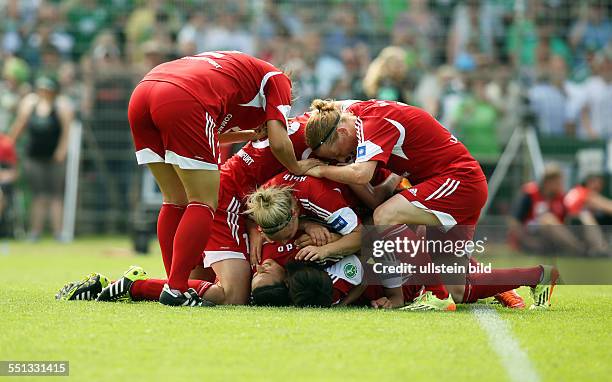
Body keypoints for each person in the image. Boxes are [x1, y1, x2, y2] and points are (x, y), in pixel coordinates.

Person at [303, 99, 557, 310]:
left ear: (341, 133)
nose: (341, 159)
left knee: (385, 216)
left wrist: (320, 169)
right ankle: (539, 276)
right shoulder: (355, 114)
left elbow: (361, 174)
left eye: (336, 153)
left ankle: (434, 294)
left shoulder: (373, 123)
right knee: (459, 289)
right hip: (455, 184)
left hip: (457, 181)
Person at [127, 51, 319, 307]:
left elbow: (206, 133)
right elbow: (278, 140)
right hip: (184, 97)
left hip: (145, 91)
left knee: (174, 200)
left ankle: (172, 283)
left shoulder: (236, 77)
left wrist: (249, 134)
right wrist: (298, 166)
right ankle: (175, 287)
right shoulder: (277, 80)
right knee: (203, 202)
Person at [9, 76, 73, 241]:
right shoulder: (30, 105)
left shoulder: (61, 106)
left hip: (54, 158)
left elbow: (67, 131)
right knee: (39, 195)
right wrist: (8, 144)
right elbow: (20, 125)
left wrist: (61, 151)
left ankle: (58, 233)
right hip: (34, 157)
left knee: (55, 195)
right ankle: (35, 232)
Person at [509, 164, 585, 256]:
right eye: (558, 183)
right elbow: (513, 221)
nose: (561, 185)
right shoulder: (529, 195)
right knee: (547, 219)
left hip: (552, 240)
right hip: (531, 237)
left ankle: (594, 249)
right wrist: (526, 241)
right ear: (548, 182)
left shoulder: (560, 198)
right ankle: (579, 250)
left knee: (584, 215)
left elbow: (567, 220)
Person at [564, 173, 612, 256]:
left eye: (600, 184)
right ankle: (601, 250)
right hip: (572, 222)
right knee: (586, 216)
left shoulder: (577, 190)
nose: (599, 186)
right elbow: (608, 207)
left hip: (566, 224)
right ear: (589, 182)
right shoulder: (586, 193)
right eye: (596, 183)